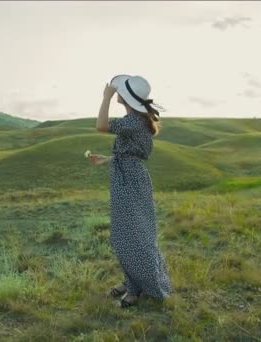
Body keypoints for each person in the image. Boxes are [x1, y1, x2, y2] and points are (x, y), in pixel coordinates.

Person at [91, 74, 172, 308]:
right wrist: (106, 160)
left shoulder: (134, 121)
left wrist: (105, 98)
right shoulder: (135, 120)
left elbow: (101, 126)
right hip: (127, 177)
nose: (115, 93)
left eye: (118, 92)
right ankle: (131, 280)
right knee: (125, 235)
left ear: (125, 98)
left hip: (130, 181)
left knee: (132, 236)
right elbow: (129, 154)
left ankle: (137, 289)